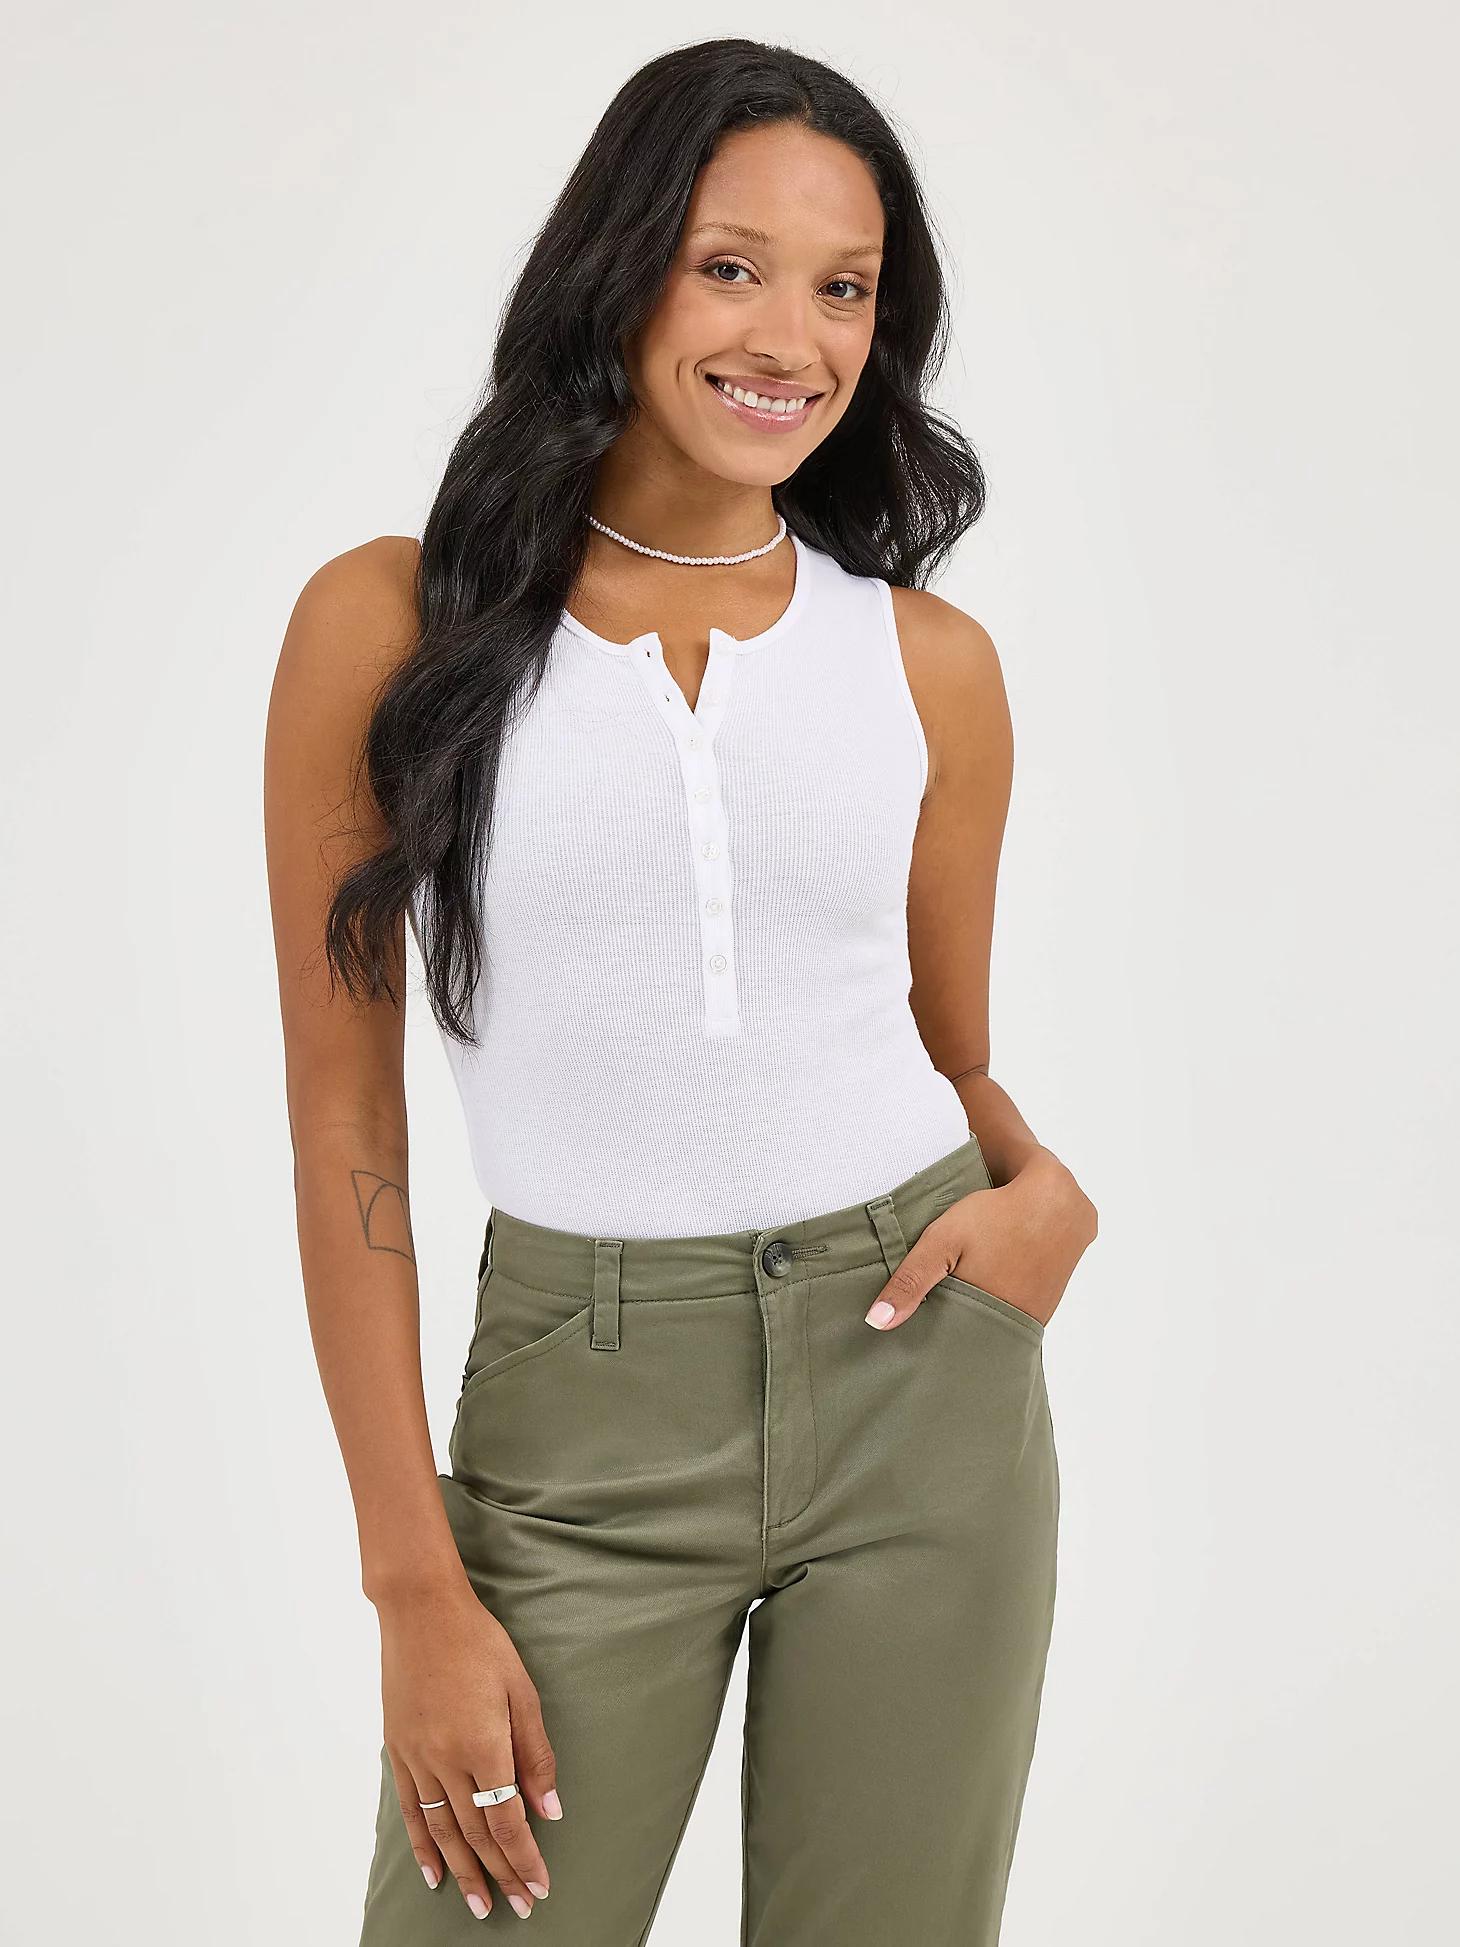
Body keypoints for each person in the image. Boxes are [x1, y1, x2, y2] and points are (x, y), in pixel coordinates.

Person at [264, 36, 1098, 1944]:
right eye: (732, 267)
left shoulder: (929, 664)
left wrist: (1041, 1194)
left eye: (844, 289)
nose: (789, 339)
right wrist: (413, 1583)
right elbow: (342, 1116)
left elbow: (945, 1044)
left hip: (924, 1387)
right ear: (621, 267)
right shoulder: (390, 623)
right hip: (580, 1411)